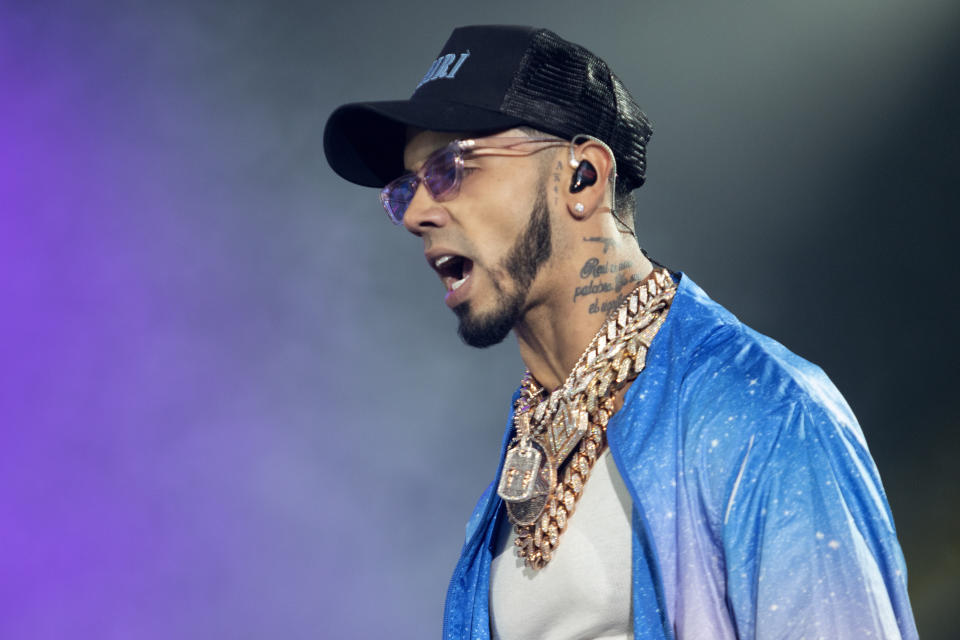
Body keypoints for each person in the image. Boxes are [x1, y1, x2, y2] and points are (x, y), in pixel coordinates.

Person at [323, 25, 918, 640]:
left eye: (452, 168)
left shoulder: (764, 413)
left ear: (583, 176)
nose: (417, 214)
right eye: (405, 190)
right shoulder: (530, 446)